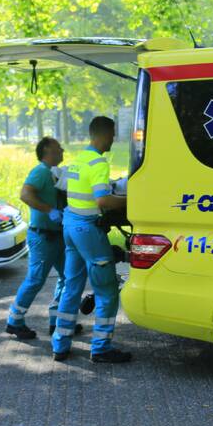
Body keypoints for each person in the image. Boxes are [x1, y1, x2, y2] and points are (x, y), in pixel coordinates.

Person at [52, 116, 131, 363]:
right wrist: (133, 199)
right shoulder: (98, 163)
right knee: (107, 291)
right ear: (104, 135)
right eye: (113, 134)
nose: (114, 139)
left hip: (70, 226)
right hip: (87, 231)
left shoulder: (79, 160)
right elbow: (103, 200)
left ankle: (60, 345)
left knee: (72, 286)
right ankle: (100, 348)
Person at [5, 137, 83, 340]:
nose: (63, 150)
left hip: (56, 236)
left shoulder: (54, 173)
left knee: (67, 276)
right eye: (59, 148)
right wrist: (50, 210)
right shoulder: (40, 171)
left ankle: (57, 320)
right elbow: (25, 194)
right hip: (43, 237)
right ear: (48, 150)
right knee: (36, 279)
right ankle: (14, 322)